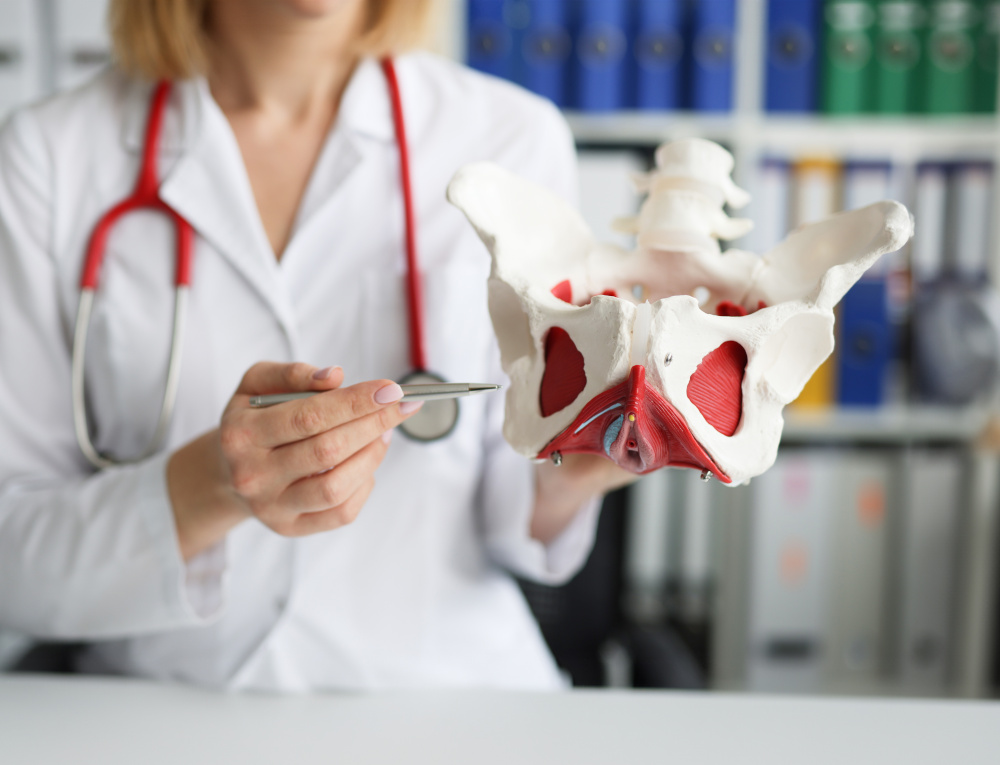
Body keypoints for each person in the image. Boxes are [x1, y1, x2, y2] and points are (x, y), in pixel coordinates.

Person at [0, 0, 634, 691]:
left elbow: (520, 519)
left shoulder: (509, 139)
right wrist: (209, 484)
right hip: (171, 711)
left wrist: (579, 467)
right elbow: (12, 564)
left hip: (451, 705)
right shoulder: (49, 157)